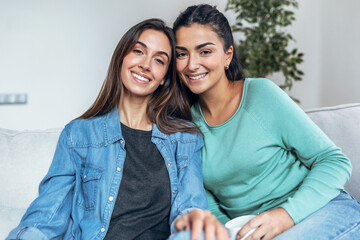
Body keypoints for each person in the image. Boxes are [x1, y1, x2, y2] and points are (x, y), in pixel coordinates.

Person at [6, 18, 228, 240]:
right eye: (138, 51)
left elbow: (191, 210)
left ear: (164, 79)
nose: (146, 64)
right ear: (121, 58)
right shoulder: (78, 135)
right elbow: (46, 217)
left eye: (159, 60)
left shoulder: (185, 138)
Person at [173, 4, 360, 240]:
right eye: (182, 53)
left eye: (205, 51)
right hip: (254, 231)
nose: (191, 64)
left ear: (227, 55)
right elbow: (209, 203)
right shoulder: (187, 126)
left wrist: (285, 215)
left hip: (322, 211)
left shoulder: (261, 95)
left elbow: (335, 161)